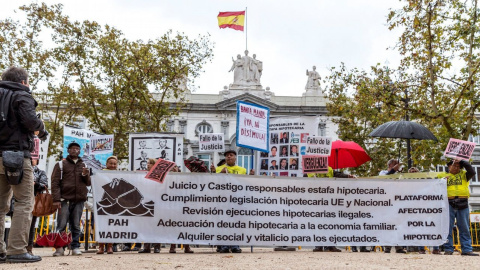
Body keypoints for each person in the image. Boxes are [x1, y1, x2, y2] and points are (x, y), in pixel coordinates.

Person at [0, 67, 46, 264]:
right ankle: (17, 249)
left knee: (0, 206)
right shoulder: (21, 94)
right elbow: (30, 121)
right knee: (24, 202)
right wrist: (41, 128)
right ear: (23, 82)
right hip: (17, 156)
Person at [51, 142, 91, 256]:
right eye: (72, 148)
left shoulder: (84, 164)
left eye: (77, 149)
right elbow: (55, 183)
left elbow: (88, 183)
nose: (75, 150)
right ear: (68, 150)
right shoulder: (60, 164)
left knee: (76, 225)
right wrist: (56, 199)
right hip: (64, 199)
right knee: (61, 224)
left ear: (80, 151)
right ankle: (60, 248)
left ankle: (75, 247)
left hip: (79, 199)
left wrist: (85, 174)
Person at [307, 167, 356, 253]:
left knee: (330, 222)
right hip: (317, 200)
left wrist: (348, 176)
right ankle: (319, 245)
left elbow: (337, 174)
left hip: (329, 199)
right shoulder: (310, 170)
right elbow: (303, 180)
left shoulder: (329, 169)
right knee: (319, 223)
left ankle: (331, 245)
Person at [438, 159, 478, 256]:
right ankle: (448, 249)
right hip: (448, 203)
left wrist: (462, 161)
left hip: (463, 203)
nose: (456, 167)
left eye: (458, 166)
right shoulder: (441, 176)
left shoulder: (464, 174)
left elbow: (472, 172)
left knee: (464, 227)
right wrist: (442, 182)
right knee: (447, 227)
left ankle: (467, 249)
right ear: (449, 166)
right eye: (454, 165)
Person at [216, 150, 251, 253]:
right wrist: (219, 175)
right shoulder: (219, 169)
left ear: (236, 158)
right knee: (224, 223)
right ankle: (225, 246)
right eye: (227, 156)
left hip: (237, 200)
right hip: (223, 200)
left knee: (236, 223)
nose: (229, 157)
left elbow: (245, 183)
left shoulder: (242, 170)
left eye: (231, 155)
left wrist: (250, 176)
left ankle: (235, 245)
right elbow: (213, 183)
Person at [378, 159, 406, 254]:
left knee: (398, 225)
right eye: (395, 164)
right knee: (388, 225)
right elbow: (384, 179)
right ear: (390, 165)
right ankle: (387, 247)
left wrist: (399, 175)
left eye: (397, 165)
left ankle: (399, 247)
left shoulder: (398, 175)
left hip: (397, 201)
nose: (397, 166)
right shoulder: (383, 172)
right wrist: (393, 171)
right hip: (387, 202)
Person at [169, 165, 194, 254]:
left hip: (184, 206)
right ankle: (172, 247)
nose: (174, 169)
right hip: (172, 207)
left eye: (175, 167)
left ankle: (187, 247)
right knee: (173, 226)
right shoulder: (168, 180)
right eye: (172, 168)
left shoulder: (184, 179)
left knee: (186, 226)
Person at [139, 159, 162, 254]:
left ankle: (157, 247)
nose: (148, 165)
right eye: (147, 163)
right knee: (147, 226)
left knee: (157, 225)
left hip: (157, 202)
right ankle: (147, 247)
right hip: (147, 202)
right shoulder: (143, 174)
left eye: (150, 163)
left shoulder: (159, 175)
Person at [97, 156, 119, 255]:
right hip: (103, 201)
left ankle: (110, 246)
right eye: (111, 163)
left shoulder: (120, 175)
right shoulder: (100, 173)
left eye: (115, 164)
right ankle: (101, 247)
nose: (113, 165)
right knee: (101, 224)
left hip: (114, 203)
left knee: (112, 225)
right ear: (106, 164)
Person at [27, 159, 48, 256]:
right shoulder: (19, 170)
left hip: (34, 201)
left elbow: (44, 185)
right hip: (17, 201)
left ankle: (28, 248)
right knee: (17, 224)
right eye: (30, 157)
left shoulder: (40, 172)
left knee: (31, 226)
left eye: (34, 157)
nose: (32, 159)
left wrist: (36, 184)